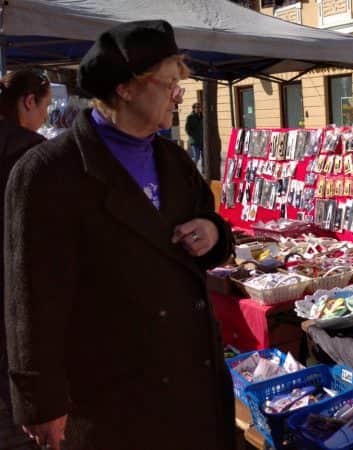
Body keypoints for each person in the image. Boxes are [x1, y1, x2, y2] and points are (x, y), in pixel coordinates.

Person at [4, 20, 234, 450]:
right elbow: (30, 300)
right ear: (126, 88)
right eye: (169, 84)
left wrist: (212, 231)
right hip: (112, 399)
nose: (178, 95)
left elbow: (214, 228)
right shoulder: (49, 172)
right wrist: (41, 402)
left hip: (193, 381)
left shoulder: (174, 159)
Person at [0, 69, 52, 450]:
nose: (47, 116)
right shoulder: (32, 153)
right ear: (28, 102)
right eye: (45, 106)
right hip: (16, 276)